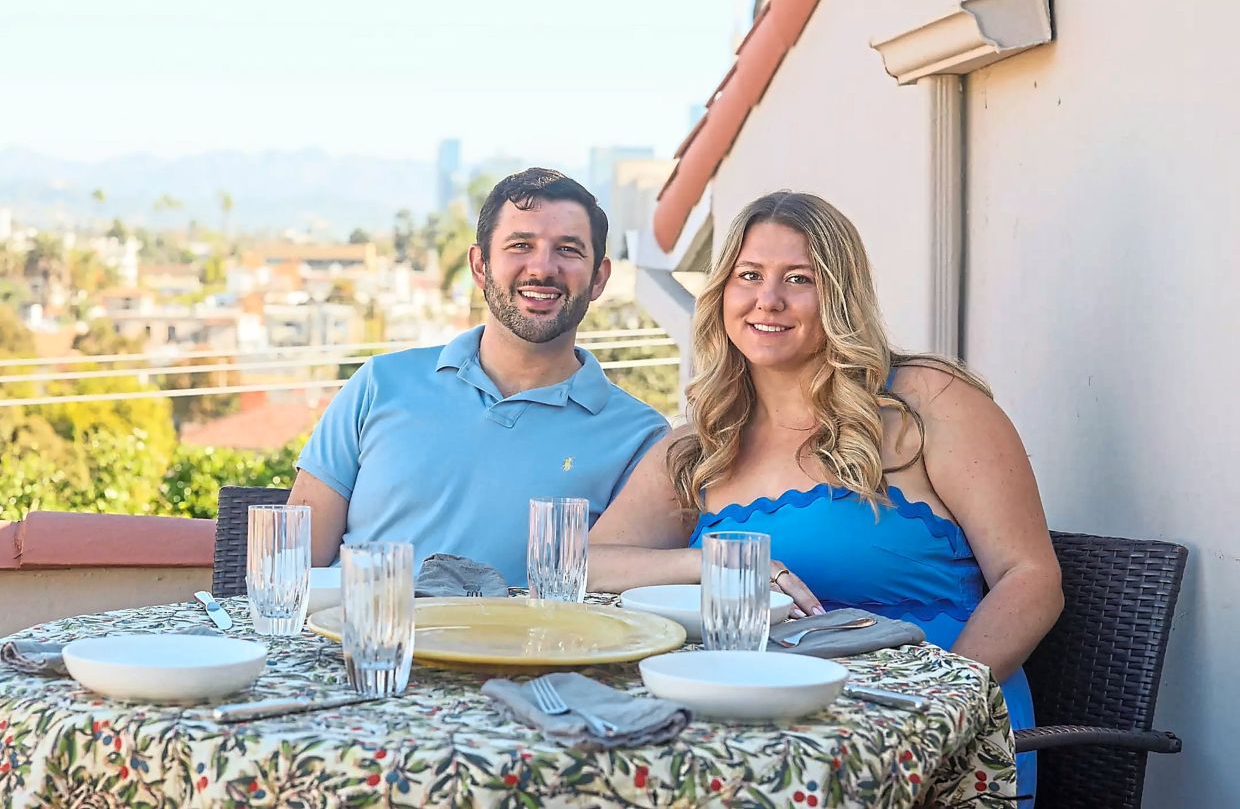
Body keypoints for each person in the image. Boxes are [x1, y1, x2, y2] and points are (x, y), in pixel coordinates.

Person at [588, 191, 1062, 803]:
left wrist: (939, 704)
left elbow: (1031, 578)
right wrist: (710, 563)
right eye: (749, 276)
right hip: (768, 737)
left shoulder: (928, 404)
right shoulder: (702, 444)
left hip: (932, 733)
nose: (769, 300)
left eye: (798, 279)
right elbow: (591, 563)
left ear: (840, 293)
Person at [290, 168, 668, 583]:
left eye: (568, 249)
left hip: (524, 647)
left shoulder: (641, 437)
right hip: (364, 642)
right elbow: (293, 566)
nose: (542, 267)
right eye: (520, 245)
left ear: (598, 278)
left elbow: (618, 595)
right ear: (480, 266)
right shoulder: (379, 383)